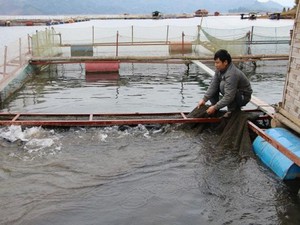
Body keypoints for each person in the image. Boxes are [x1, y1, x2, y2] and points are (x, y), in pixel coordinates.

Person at [197, 49, 252, 117]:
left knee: (222, 85)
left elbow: (229, 96)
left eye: (217, 63)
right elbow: (213, 85)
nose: (215, 65)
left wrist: (215, 107)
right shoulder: (219, 70)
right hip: (233, 93)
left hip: (243, 97)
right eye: (215, 62)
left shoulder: (232, 74)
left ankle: (232, 110)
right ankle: (215, 108)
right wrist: (204, 99)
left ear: (225, 62)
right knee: (214, 84)